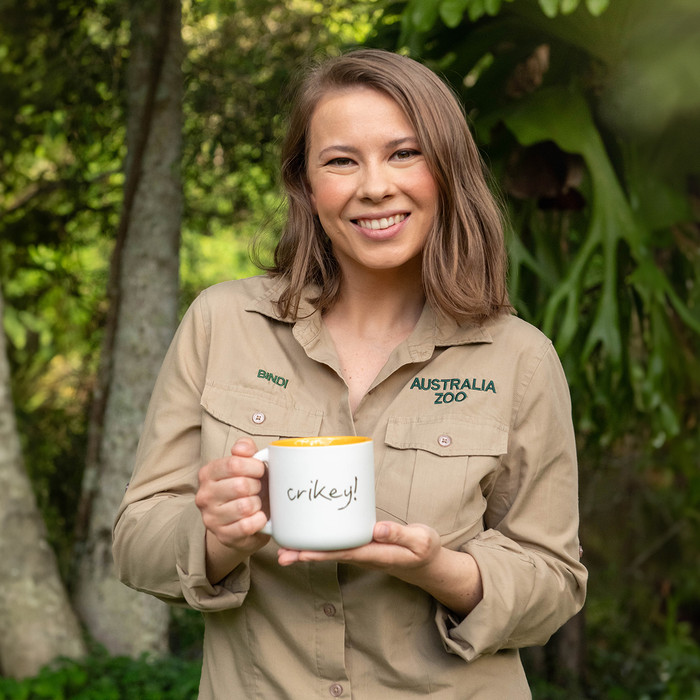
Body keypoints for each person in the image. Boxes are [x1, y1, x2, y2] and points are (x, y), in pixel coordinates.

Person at [113, 48, 587, 699]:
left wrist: (442, 569)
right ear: (306, 184)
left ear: (446, 170)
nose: (374, 186)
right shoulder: (222, 322)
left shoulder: (519, 358)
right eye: (340, 161)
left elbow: (555, 581)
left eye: (404, 153)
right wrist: (218, 537)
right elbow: (136, 539)